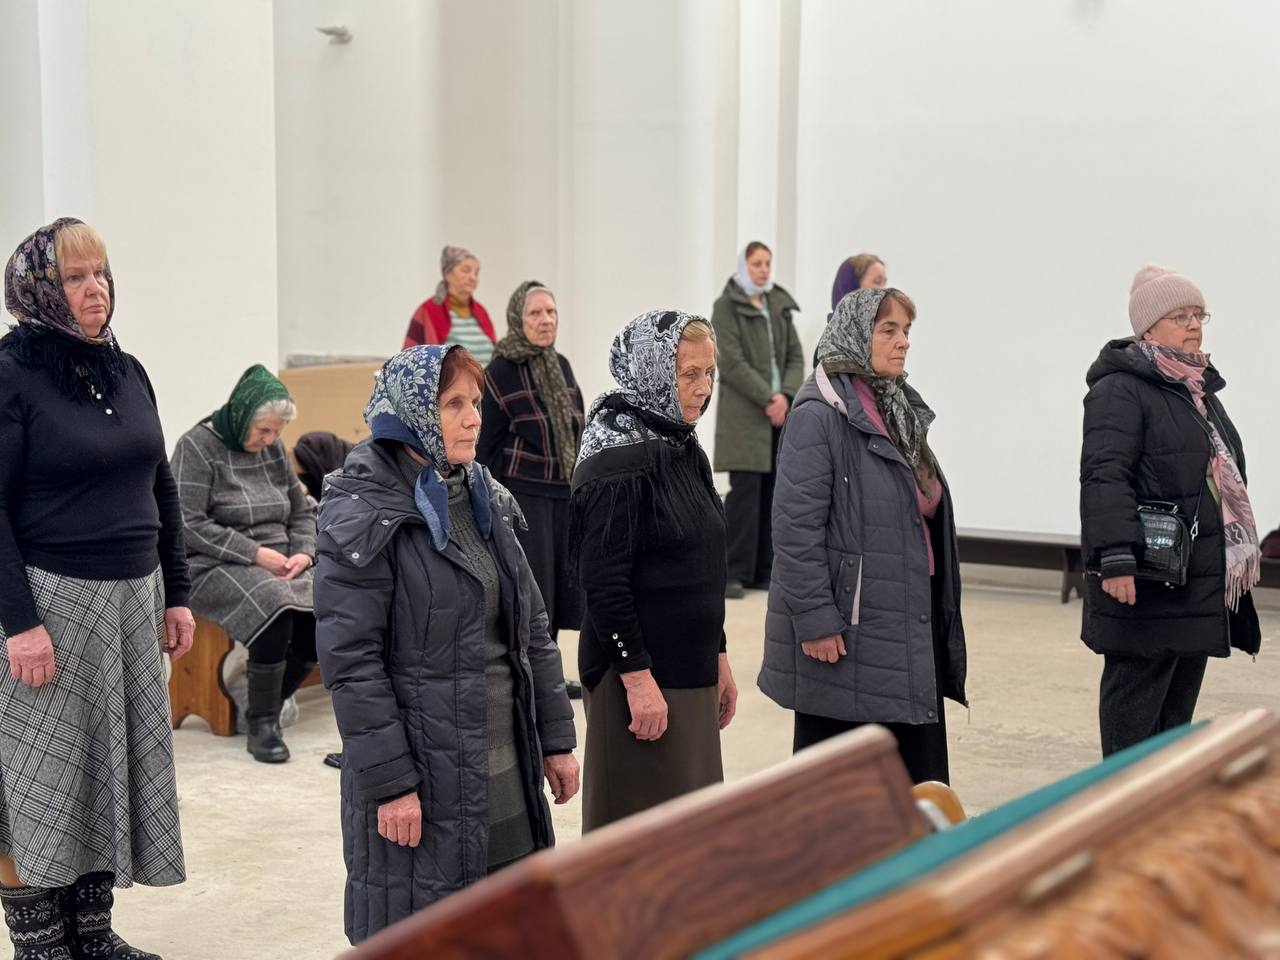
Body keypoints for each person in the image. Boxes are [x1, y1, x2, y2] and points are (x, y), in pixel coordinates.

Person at [315, 345, 579, 943]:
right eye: (453, 404)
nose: (473, 419)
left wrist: (556, 740)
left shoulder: (482, 493)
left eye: (476, 403)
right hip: (427, 779)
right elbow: (352, 663)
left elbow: (532, 629)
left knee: (510, 928)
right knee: (431, 938)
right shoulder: (363, 508)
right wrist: (391, 784)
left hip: (504, 768)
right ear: (411, 412)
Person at [0, 218, 193, 959]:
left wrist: (177, 592)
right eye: (75, 277)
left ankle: (91, 930)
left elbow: (160, 484)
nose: (96, 289)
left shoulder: (126, 369)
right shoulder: (12, 373)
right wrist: (19, 623)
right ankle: (41, 945)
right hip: (51, 605)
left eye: (101, 272)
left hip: (132, 601)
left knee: (105, 774)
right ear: (41, 290)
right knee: (41, 781)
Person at [758, 288, 967, 785]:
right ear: (854, 334)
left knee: (913, 782)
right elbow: (795, 530)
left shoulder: (895, 406)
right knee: (845, 789)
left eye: (906, 331)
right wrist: (814, 619)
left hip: (905, 612)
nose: (903, 342)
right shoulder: (818, 414)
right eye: (888, 330)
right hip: (848, 629)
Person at [1081, 265, 1262, 757]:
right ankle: (1124, 797)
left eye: (1198, 315)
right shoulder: (1119, 389)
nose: (1193, 325)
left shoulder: (1193, 387)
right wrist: (1116, 556)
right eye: (1179, 316)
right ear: (1148, 328)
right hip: (1148, 572)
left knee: (1174, 719)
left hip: (1192, 574)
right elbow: (1104, 475)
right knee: (1135, 705)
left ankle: (1161, 795)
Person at [569, 310, 738, 831]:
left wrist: (719, 656)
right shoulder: (616, 463)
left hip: (690, 673)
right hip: (639, 685)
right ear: (653, 372)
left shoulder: (682, 447)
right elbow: (604, 584)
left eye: (709, 372)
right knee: (638, 840)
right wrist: (637, 680)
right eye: (689, 374)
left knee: (692, 837)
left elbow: (702, 565)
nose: (703, 388)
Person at [171, 365, 318, 764]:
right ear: (240, 415)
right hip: (212, 561)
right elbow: (187, 523)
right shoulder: (197, 446)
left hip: (281, 557)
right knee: (275, 604)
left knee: (328, 605)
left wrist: (304, 552)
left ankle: (266, 700)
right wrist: (255, 554)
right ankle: (263, 723)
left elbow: (301, 510)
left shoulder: (272, 448)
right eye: (262, 430)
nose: (268, 440)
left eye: (276, 432)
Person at [477, 281, 587, 696]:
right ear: (517, 319)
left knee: (558, 589)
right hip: (524, 496)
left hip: (564, 492)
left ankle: (549, 674)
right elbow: (486, 446)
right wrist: (489, 503)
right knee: (533, 590)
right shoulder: (500, 371)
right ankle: (529, 679)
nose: (545, 320)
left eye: (551, 312)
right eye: (535, 313)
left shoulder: (561, 364)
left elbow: (577, 425)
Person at [711, 242, 804, 599]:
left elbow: (794, 356)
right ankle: (733, 572)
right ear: (743, 266)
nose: (764, 270)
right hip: (746, 415)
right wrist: (768, 398)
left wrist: (787, 396)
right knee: (745, 495)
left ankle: (763, 570)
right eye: (756, 264)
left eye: (767, 263)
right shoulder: (726, 306)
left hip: (780, 413)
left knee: (774, 492)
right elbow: (730, 360)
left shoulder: (776, 304)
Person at [402, 245, 496, 363]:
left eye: (476, 273)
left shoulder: (481, 311)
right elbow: (407, 360)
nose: (473, 277)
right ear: (448, 274)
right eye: (466, 271)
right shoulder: (428, 310)